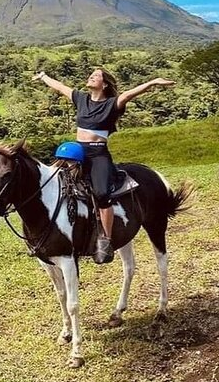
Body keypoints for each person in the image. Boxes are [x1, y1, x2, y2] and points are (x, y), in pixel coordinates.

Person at [34, 67, 175, 263]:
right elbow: (60, 88)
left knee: (101, 193)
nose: (91, 76)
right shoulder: (81, 99)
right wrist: (43, 77)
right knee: (50, 182)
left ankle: (105, 240)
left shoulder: (111, 104)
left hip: (98, 154)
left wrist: (151, 83)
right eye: (90, 73)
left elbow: (128, 95)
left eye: (96, 75)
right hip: (77, 153)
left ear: (105, 84)